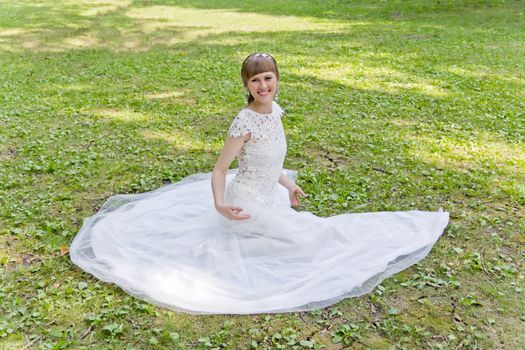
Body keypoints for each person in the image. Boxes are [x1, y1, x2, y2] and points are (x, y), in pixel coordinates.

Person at [70, 53, 449, 315]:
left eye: (269, 77)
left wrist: (286, 184)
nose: (263, 85)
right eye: (256, 80)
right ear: (247, 85)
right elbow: (221, 169)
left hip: (269, 192)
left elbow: (268, 162)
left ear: (278, 80)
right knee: (309, 242)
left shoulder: (276, 112)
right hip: (245, 201)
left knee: (311, 239)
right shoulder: (245, 121)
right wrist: (220, 205)